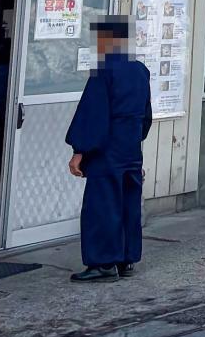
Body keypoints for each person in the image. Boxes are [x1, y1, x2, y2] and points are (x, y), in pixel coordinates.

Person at [64, 19, 152, 283]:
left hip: (107, 147)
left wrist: (79, 151)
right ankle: (126, 259)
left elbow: (94, 114)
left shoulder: (104, 72)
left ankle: (102, 263)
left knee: (102, 205)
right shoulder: (140, 70)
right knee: (128, 203)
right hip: (132, 146)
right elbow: (146, 115)